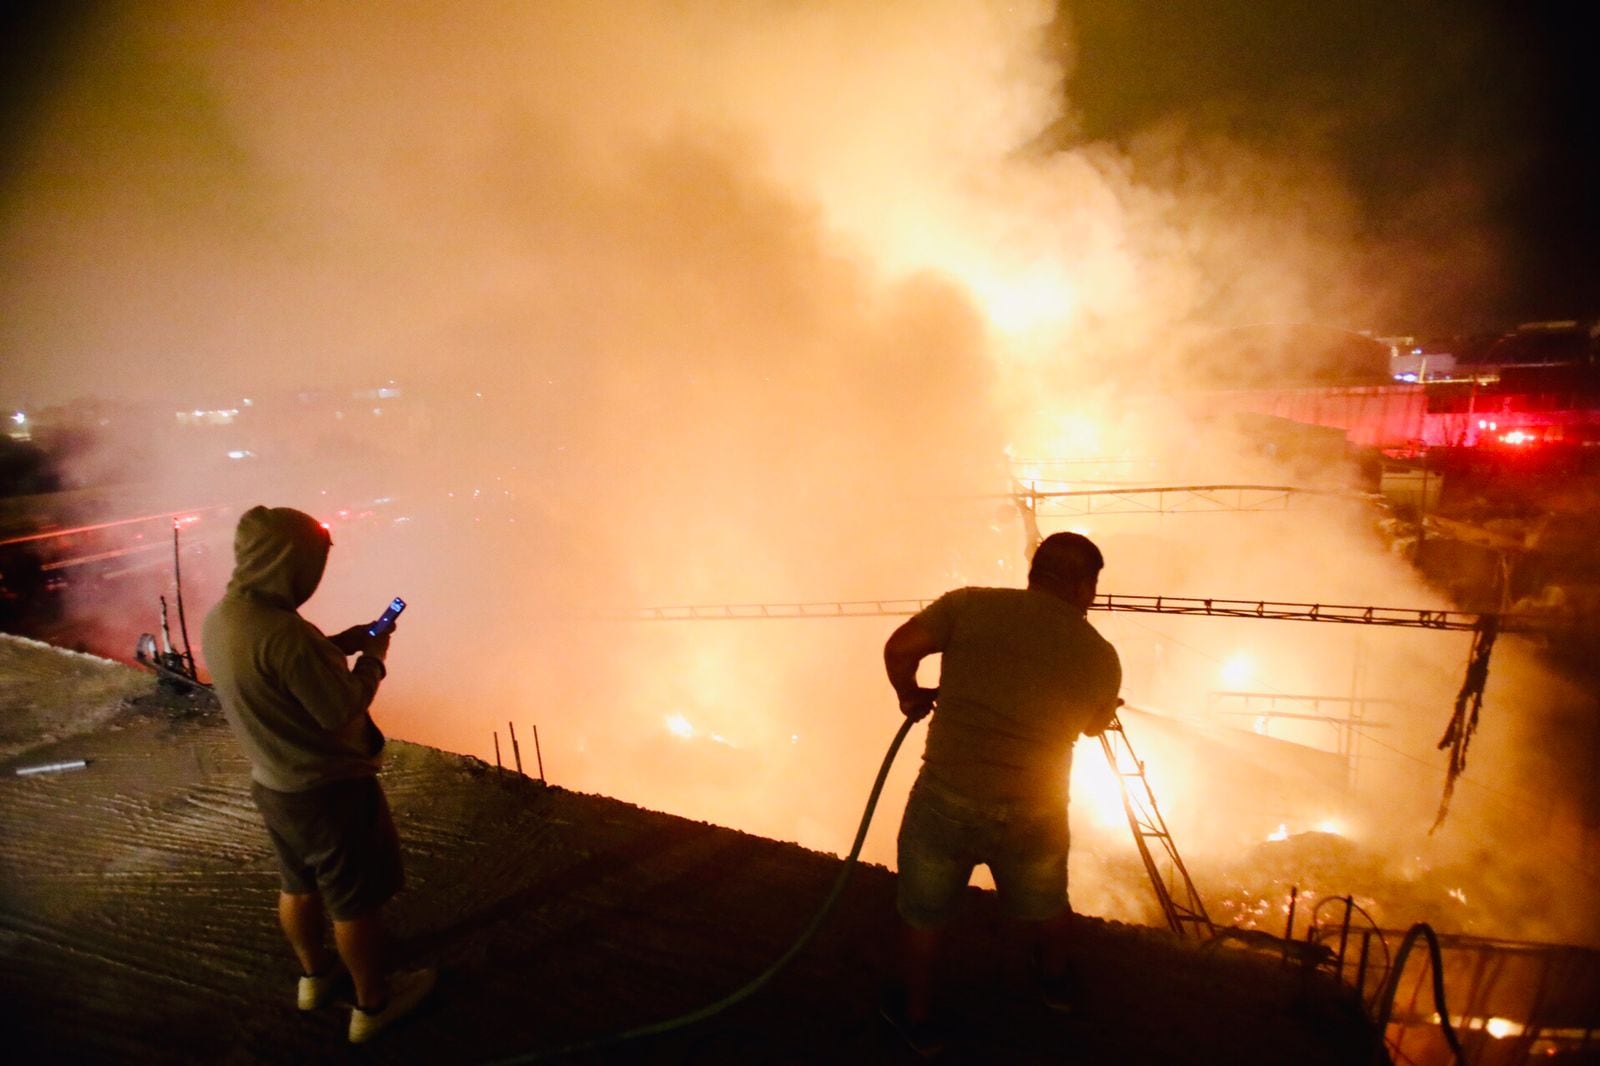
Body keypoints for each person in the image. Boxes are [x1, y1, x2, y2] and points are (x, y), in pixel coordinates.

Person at [880, 531, 1122, 1055]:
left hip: (948, 798)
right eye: (1093, 587)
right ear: (1083, 586)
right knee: (1047, 902)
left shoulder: (970, 606)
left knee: (923, 914)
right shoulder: (1101, 655)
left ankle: (917, 1020)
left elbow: (900, 648)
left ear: (1035, 573)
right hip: (1035, 810)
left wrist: (910, 695)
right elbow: (1092, 725)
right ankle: (1055, 985)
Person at [202, 505, 435, 1044]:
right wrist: (373, 655)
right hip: (329, 792)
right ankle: (373, 1004)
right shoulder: (285, 634)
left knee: (297, 884)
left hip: (273, 784)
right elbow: (342, 709)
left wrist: (338, 642)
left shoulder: (225, 616)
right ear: (289, 564)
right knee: (355, 904)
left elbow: (271, 669)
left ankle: (313, 977)